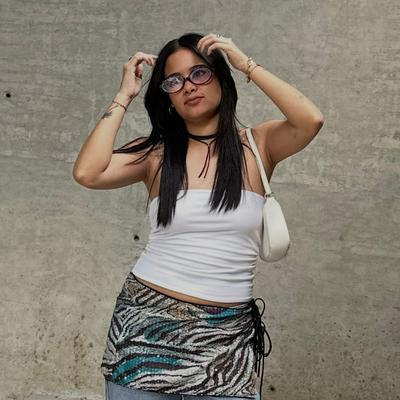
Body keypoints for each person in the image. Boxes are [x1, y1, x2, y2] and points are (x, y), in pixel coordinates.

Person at [73, 32, 324, 400]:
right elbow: (87, 173)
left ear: (221, 78)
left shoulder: (259, 145)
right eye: (174, 81)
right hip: (145, 330)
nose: (188, 86)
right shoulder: (155, 154)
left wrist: (246, 65)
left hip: (226, 340)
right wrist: (124, 95)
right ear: (168, 97)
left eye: (200, 73)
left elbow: (311, 120)